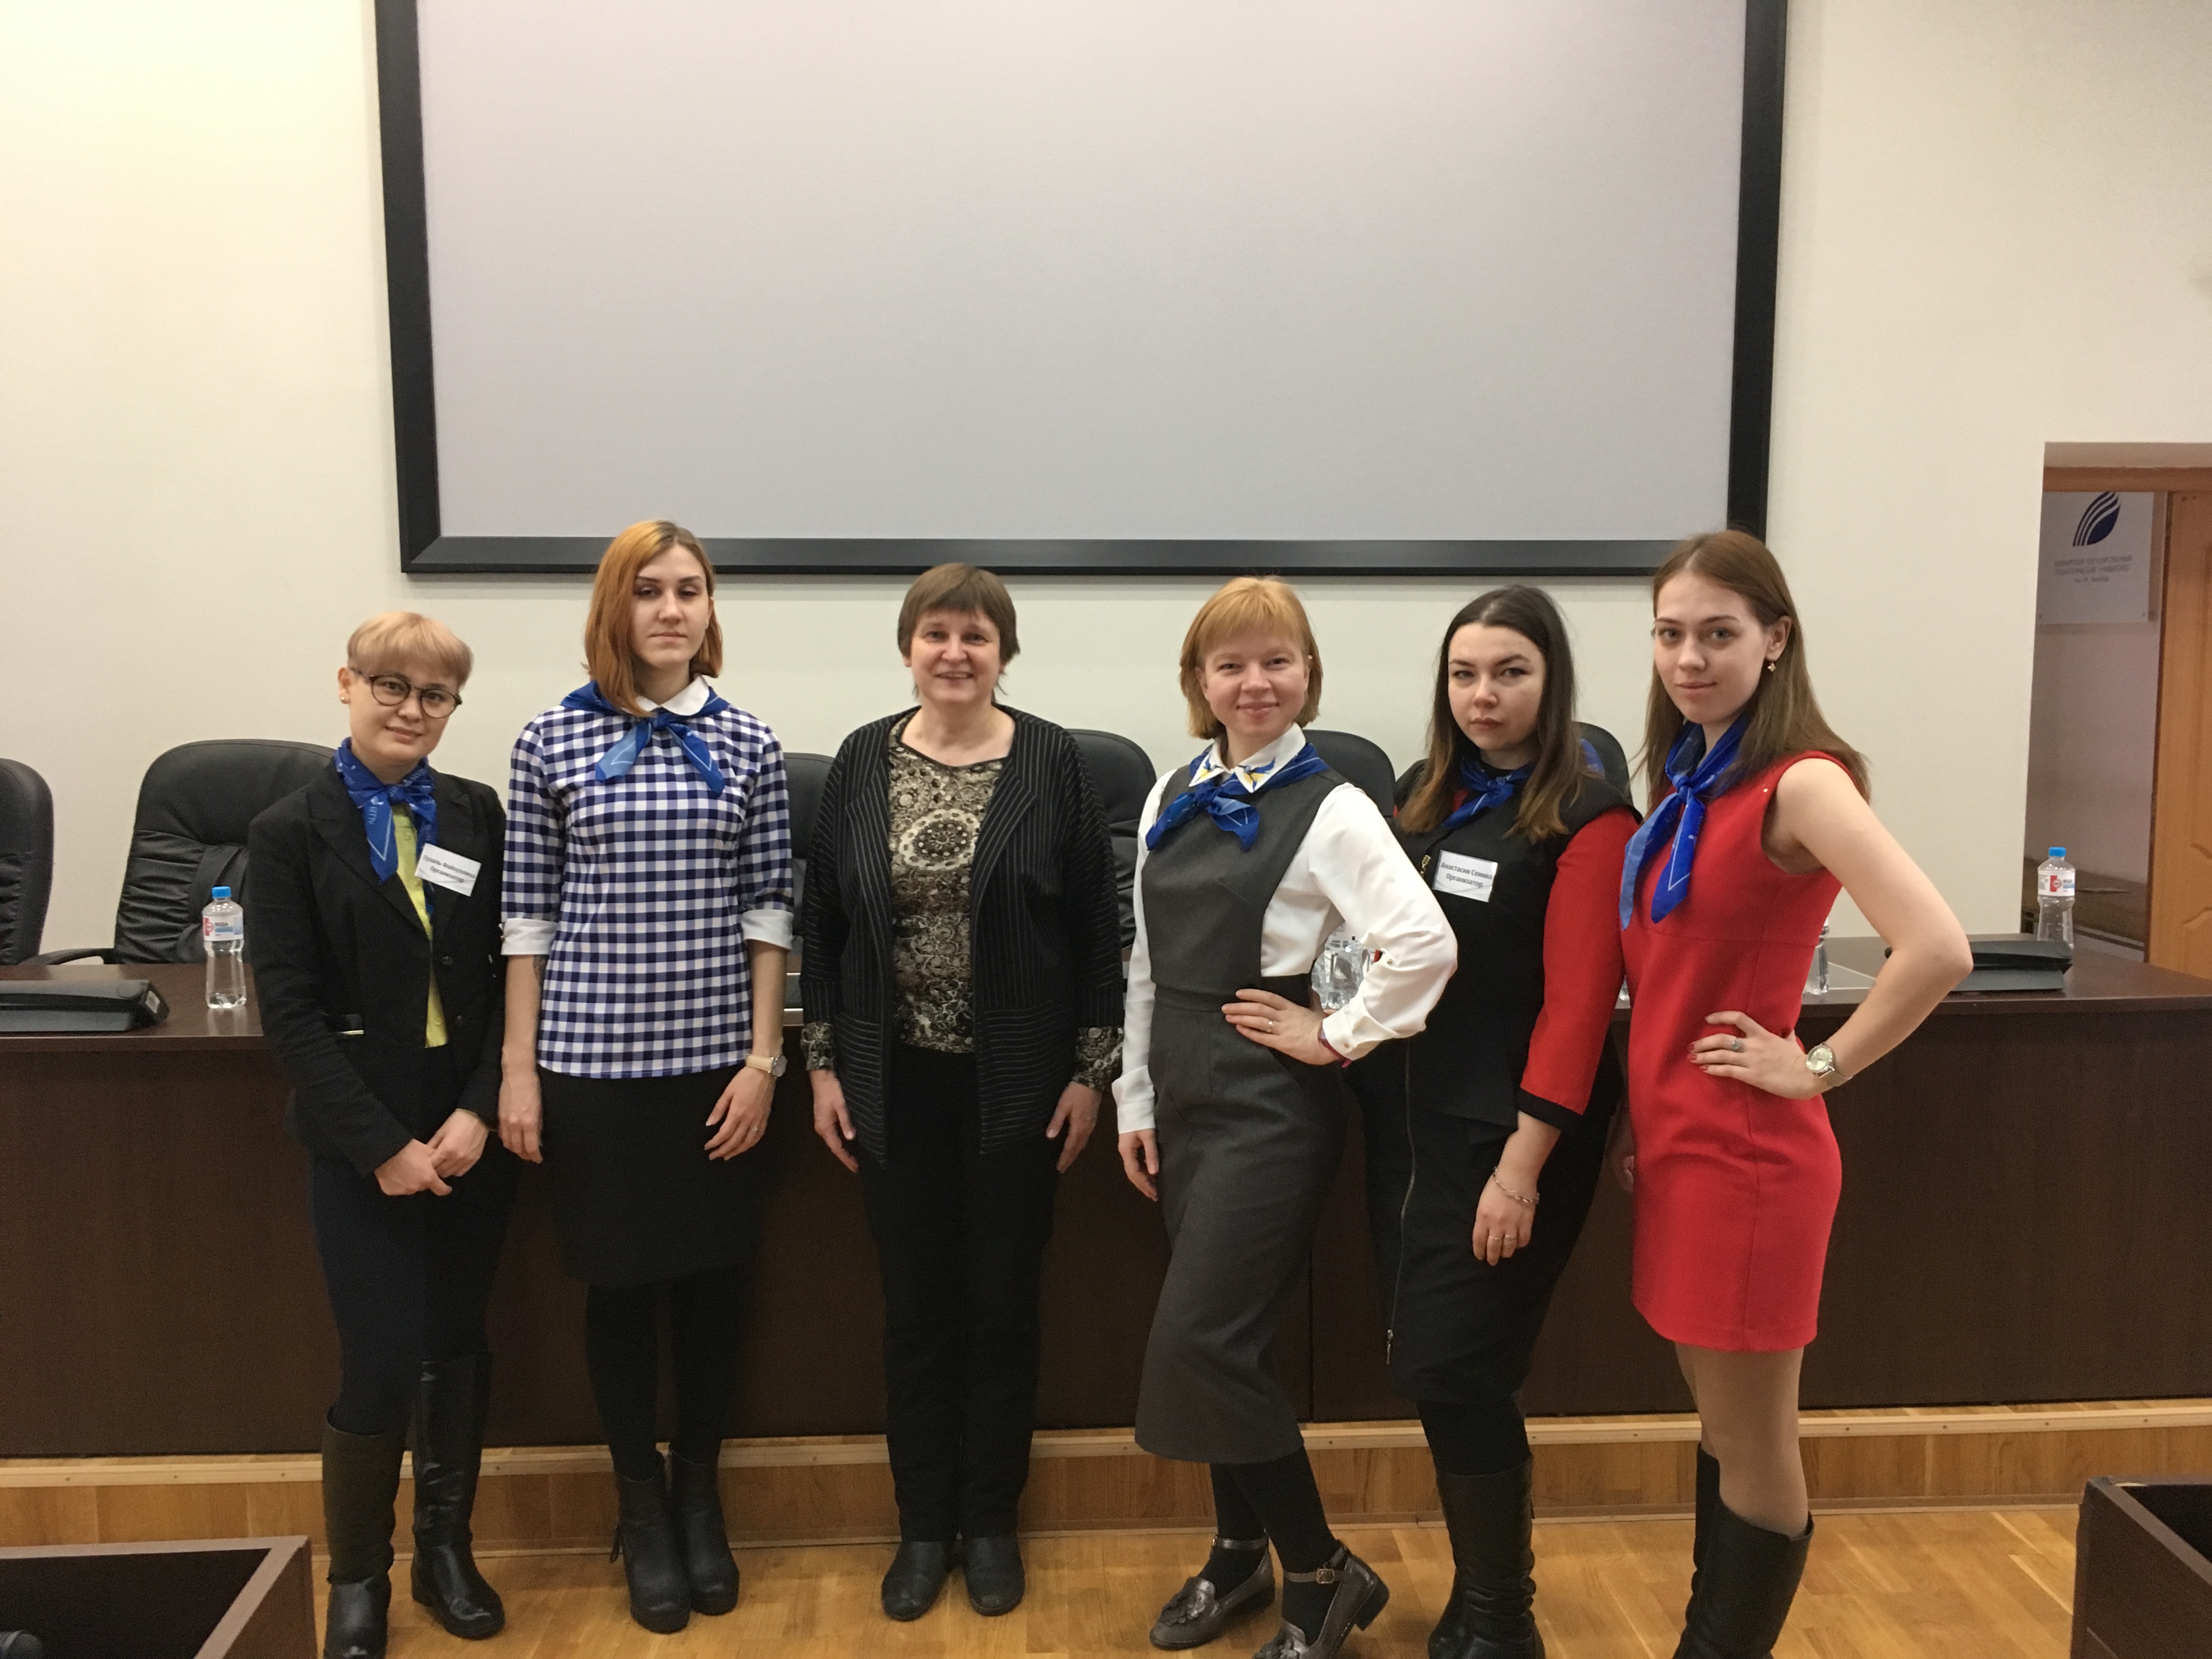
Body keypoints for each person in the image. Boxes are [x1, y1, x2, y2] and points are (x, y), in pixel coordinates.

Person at [1614, 531, 1971, 1656]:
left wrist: (1816, 1065)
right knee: (1720, 1429)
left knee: (1754, 1440)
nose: (1689, 658)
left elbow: (1937, 947)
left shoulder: (1802, 781)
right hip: (1680, 1146)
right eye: (1671, 634)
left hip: (1750, 1159)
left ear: (1775, 641)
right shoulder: (1690, 782)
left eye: (1718, 634)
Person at [1117, 577, 1455, 1659]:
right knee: (1234, 1348)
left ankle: (1320, 1571)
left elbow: (1425, 947)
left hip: (1269, 1110)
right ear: (1199, 681)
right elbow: (1144, 960)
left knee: (1202, 1341)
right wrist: (1134, 1096)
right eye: (1231, 664)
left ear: (1309, 673)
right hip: (1182, 1095)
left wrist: (1337, 1034)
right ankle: (1238, 1555)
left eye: (1278, 660)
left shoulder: (1337, 807)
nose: (1255, 682)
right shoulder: (1171, 788)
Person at [802, 563, 1124, 1621]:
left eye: (976, 636)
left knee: (1001, 1309)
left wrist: (1090, 1073)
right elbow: (823, 927)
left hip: (1018, 1090)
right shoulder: (861, 759)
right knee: (915, 1314)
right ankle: (921, 1527)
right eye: (936, 634)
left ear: (1003, 653)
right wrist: (823, 1066)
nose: (955, 653)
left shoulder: (1052, 761)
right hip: (892, 1086)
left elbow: (1097, 929)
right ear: (909, 648)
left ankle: (989, 1523)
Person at [498, 520, 794, 1635]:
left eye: (691, 590)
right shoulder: (549, 740)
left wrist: (763, 1061)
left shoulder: (751, 742)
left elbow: (770, 913)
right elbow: (526, 918)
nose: (672, 610)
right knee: (619, 1291)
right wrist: (519, 1072)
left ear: (711, 610)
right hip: (591, 1066)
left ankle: (699, 1496)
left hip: (717, 1067)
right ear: (614, 609)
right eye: (650, 591)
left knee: (715, 1287)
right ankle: (640, 1507)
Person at [1348, 586, 1637, 1659]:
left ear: (1551, 683)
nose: (1484, 695)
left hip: (1510, 1138)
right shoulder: (1423, 797)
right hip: (1413, 1126)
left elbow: (1579, 1010)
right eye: (1465, 674)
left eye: (1510, 672)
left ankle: (1501, 1618)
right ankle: (1484, 1601)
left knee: (1462, 1365)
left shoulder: (1592, 818)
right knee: (1436, 1363)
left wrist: (1522, 1169)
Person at [247, 612, 516, 1659]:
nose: (411, 710)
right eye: (391, 687)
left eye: (435, 695)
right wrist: (380, 1146)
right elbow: (290, 1012)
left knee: (458, 1344)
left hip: (466, 1130)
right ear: (347, 684)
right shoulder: (287, 830)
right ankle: (359, 1578)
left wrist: (480, 1107)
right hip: (361, 1136)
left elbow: (503, 976)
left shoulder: (476, 813)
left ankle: (448, 1554)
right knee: (378, 1359)